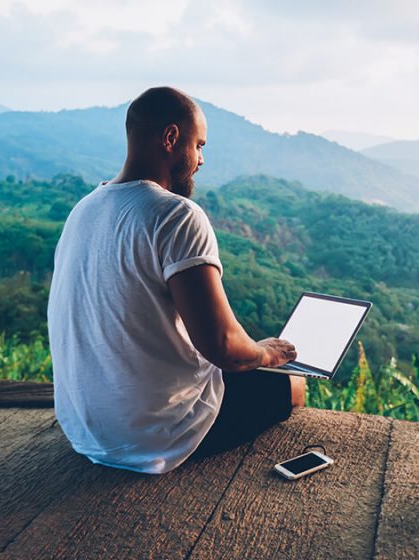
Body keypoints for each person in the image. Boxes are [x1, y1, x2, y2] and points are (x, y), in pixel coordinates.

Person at [48, 86, 306, 474]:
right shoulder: (176, 215)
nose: (201, 159)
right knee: (293, 386)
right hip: (151, 437)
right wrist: (267, 353)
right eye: (199, 145)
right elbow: (222, 346)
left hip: (85, 431)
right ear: (170, 138)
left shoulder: (84, 209)